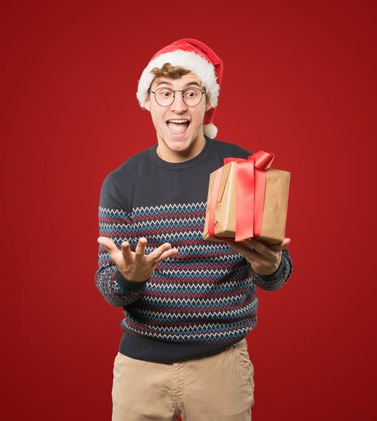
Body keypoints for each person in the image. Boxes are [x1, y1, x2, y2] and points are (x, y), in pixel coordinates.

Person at [94, 38, 293, 421]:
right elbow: (110, 288)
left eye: (191, 92)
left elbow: (275, 275)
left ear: (206, 102)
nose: (178, 106)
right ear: (148, 102)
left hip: (221, 369)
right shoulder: (121, 183)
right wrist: (129, 278)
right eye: (165, 93)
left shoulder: (242, 171)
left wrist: (270, 267)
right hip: (140, 372)